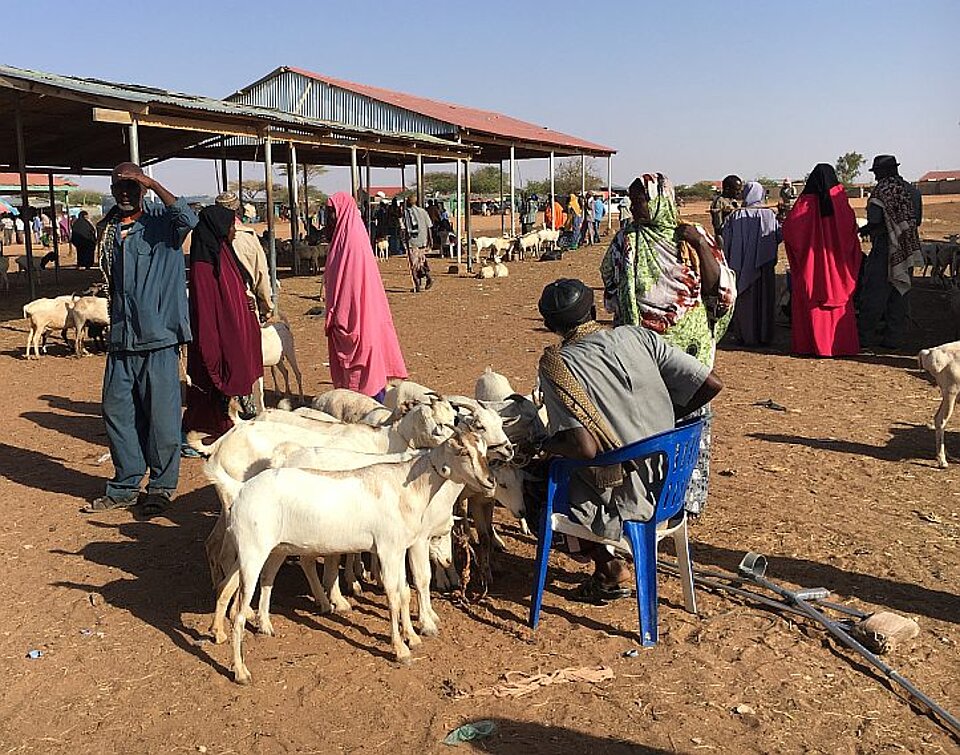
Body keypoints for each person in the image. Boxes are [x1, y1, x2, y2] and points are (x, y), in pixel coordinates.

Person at [534, 278, 723, 599]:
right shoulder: (638, 335)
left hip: (630, 499)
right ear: (593, 310)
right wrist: (671, 417)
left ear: (550, 326)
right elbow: (711, 384)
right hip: (670, 488)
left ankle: (608, 568)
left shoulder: (557, 366)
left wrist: (542, 445)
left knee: (539, 480)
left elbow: (584, 446)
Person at [600, 173, 736, 516]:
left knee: (689, 418)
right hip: (640, 350)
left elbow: (718, 288)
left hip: (688, 347)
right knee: (643, 424)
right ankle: (648, 498)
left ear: (660, 199)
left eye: (640, 200)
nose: (634, 207)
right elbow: (610, 278)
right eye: (632, 201)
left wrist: (701, 246)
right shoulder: (626, 239)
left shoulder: (691, 235)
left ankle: (685, 499)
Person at [85, 162, 198, 516]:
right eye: (118, 186)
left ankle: (161, 488)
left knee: (162, 417)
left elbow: (189, 219)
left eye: (132, 187)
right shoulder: (110, 232)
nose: (125, 193)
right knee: (117, 410)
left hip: (159, 337)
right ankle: (125, 484)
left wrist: (149, 180)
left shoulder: (163, 225)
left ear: (143, 190)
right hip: (122, 339)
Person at [181, 204, 263, 444]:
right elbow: (208, 308)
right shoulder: (203, 264)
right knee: (212, 382)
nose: (234, 231)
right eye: (230, 226)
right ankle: (207, 430)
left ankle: (221, 425)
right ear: (218, 227)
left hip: (233, 331)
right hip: (217, 335)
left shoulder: (223, 253)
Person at [324, 192, 408, 400]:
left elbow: (351, 287)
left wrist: (340, 317)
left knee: (364, 365)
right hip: (348, 313)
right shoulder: (342, 238)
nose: (331, 217)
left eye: (333, 212)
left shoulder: (352, 241)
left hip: (357, 315)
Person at [782, 164, 862, 357]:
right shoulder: (839, 200)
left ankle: (812, 346)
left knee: (811, 301)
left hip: (811, 268)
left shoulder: (804, 204)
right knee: (840, 303)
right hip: (839, 269)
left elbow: (790, 229)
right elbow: (851, 229)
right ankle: (840, 345)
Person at [857, 154, 923, 350]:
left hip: (885, 247)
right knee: (899, 291)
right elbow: (916, 221)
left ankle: (865, 337)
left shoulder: (881, 192)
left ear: (884, 171)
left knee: (874, 293)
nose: (876, 176)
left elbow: (876, 222)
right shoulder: (913, 191)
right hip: (908, 247)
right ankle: (893, 338)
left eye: (877, 172)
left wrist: (863, 230)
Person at [722, 181, 782, 347]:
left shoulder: (734, 216)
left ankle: (745, 335)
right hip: (763, 269)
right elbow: (776, 236)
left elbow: (726, 242)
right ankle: (763, 335)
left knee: (744, 302)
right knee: (763, 300)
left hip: (740, 269)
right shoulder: (768, 215)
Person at [215, 192, 273, 320]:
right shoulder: (247, 237)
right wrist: (266, 307)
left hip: (216, 304)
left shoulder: (204, 237)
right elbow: (260, 273)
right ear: (238, 210)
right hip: (245, 299)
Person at [404, 196, 434, 292]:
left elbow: (404, 228)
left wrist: (404, 238)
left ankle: (417, 285)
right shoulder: (423, 211)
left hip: (412, 241)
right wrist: (430, 239)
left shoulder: (406, 213)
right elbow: (429, 226)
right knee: (421, 261)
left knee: (413, 264)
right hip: (423, 240)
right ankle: (428, 277)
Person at [709, 174, 743, 240]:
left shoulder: (734, 202)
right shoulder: (719, 202)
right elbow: (718, 226)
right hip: (725, 238)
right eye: (737, 190)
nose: (739, 192)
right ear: (727, 189)